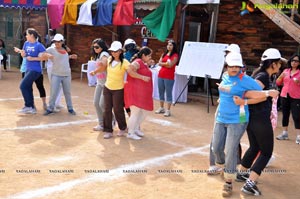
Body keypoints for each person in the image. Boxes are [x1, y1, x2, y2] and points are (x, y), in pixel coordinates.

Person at [211, 52, 279, 197]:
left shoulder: (245, 79)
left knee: (230, 150)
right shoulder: (224, 76)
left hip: (237, 119)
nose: (234, 68)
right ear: (226, 66)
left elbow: (256, 93)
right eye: (231, 66)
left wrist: (267, 93)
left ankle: (228, 182)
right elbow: (226, 89)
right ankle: (226, 169)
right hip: (221, 117)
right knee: (216, 148)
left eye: (237, 66)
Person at [234, 48, 283, 196]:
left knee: (255, 147)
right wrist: (267, 93)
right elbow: (248, 93)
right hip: (259, 118)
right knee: (266, 152)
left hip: (254, 117)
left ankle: (241, 173)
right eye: (279, 63)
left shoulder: (262, 74)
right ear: (273, 64)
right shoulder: (262, 76)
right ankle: (250, 184)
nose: (280, 65)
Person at [96, 41, 130, 139]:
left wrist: (140, 77)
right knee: (107, 108)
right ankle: (108, 130)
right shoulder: (110, 59)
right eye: (112, 51)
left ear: (120, 51)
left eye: (115, 51)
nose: (113, 53)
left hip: (118, 89)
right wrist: (95, 72)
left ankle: (123, 127)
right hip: (108, 87)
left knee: (117, 109)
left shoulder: (125, 62)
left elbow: (131, 71)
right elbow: (103, 68)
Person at [43, 33, 77, 115]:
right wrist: (46, 55)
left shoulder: (65, 49)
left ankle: (70, 108)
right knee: (53, 92)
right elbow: (41, 53)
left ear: (62, 42)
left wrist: (70, 56)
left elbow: (63, 59)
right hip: (56, 74)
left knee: (67, 92)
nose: (56, 43)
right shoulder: (51, 49)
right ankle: (50, 108)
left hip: (66, 74)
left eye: (58, 41)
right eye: (55, 41)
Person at [124, 47, 153, 140]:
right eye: (149, 56)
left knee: (144, 111)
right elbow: (129, 70)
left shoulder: (143, 63)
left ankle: (135, 128)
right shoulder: (138, 62)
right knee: (135, 112)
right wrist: (142, 77)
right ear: (143, 55)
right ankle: (130, 132)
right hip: (135, 91)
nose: (150, 57)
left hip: (141, 92)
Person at [18, 28, 47, 114]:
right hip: (28, 69)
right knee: (27, 87)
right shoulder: (26, 43)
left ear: (32, 35)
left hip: (35, 70)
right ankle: (31, 107)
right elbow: (24, 55)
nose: (26, 36)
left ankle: (29, 106)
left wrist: (33, 58)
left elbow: (45, 58)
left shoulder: (39, 45)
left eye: (27, 34)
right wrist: (22, 53)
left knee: (23, 86)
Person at [275, 53, 300, 144]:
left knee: (296, 115)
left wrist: (299, 82)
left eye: (296, 61)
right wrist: (280, 77)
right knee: (285, 114)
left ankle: (299, 135)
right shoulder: (286, 71)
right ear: (290, 61)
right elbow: (278, 83)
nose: (294, 62)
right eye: (293, 60)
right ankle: (284, 133)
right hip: (285, 95)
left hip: (296, 96)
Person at [89, 38, 110, 131]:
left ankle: (111, 120)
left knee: (102, 104)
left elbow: (104, 65)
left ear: (102, 47)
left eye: (97, 47)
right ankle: (101, 124)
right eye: (94, 47)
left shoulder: (104, 54)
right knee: (96, 103)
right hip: (100, 83)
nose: (95, 49)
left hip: (106, 83)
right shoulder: (98, 55)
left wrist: (95, 71)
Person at [155, 39, 179, 117]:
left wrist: (163, 64)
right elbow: (159, 63)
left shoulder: (175, 55)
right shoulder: (164, 54)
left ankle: (168, 110)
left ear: (173, 46)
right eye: (168, 45)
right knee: (161, 91)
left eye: (171, 45)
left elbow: (171, 65)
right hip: (161, 75)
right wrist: (166, 63)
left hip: (169, 76)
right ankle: (161, 107)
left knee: (168, 93)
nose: (169, 46)